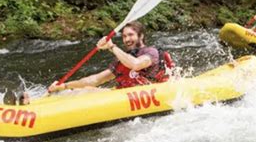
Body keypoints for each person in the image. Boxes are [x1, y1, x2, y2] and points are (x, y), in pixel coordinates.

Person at [9, 21, 174, 105]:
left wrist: (111, 46)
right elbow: (95, 80)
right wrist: (64, 86)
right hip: (123, 96)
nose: (127, 39)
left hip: (150, 94)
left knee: (85, 93)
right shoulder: (122, 59)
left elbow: (136, 64)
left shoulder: (150, 52)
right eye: (124, 36)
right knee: (83, 90)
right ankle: (34, 103)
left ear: (141, 36)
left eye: (130, 35)